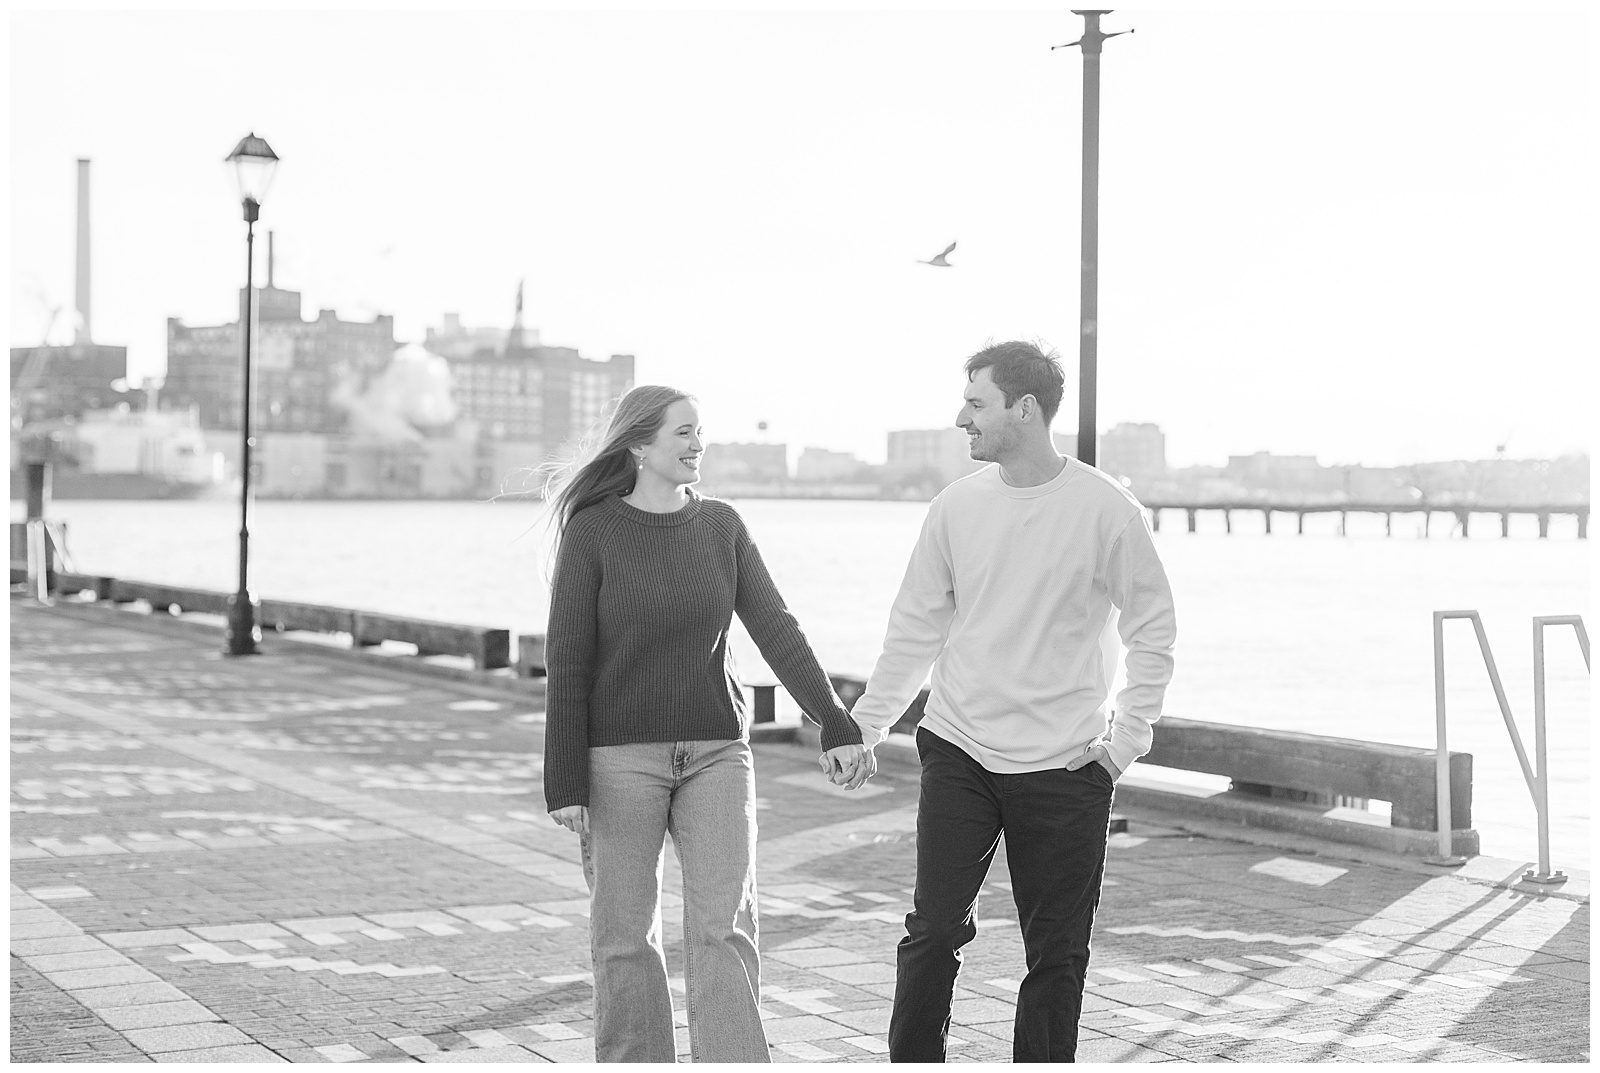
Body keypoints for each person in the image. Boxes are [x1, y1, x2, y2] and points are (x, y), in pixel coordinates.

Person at [844, 341, 1177, 1062]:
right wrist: (867, 725)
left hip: (1066, 766)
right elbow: (915, 626)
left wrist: (1124, 742)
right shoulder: (956, 506)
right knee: (933, 928)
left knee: (1057, 956)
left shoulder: (1105, 509)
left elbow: (1153, 628)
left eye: (976, 402)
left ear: (1023, 409)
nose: (961, 417)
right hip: (960, 745)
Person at [541, 384, 870, 1063]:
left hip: (719, 754)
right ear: (639, 445)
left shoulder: (721, 525)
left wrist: (835, 720)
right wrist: (564, 777)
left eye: (700, 432)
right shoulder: (594, 530)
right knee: (625, 936)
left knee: (725, 929)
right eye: (683, 432)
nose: (698, 444)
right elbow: (567, 658)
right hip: (616, 761)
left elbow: (776, 629)